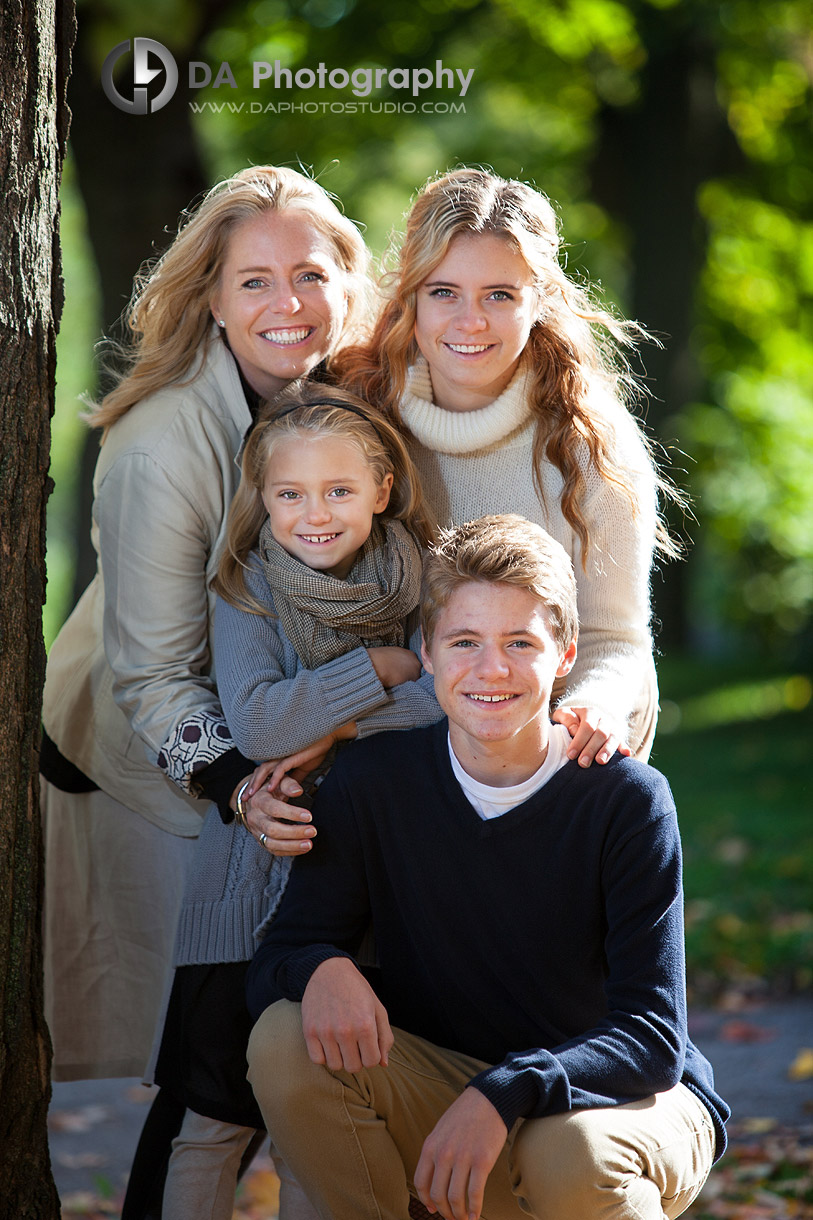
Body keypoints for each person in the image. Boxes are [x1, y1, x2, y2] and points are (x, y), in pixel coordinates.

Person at [39, 165, 370, 1209]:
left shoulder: (354, 399)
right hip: (161, 758)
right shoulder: (162, 440)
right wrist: (238, 783)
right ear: (213, 296)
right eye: (257, 280)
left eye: (311, 275)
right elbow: (151, 672)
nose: (289, 305)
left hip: (294, 735)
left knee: (299, 1055)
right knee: (217, 1066)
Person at [244, 513, 729, 1220]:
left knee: (571, 1155)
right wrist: (319, 967)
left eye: (520, 643)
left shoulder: (624, 799)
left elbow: (650, 1037)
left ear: (564, 655)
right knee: (285, 1039)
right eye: (464, 641)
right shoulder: (373, 783)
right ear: (428, 653)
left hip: (620, 1105)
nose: (490, 669)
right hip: (457, 1093)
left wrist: (507, 1088)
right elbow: (276, 959)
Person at [154, 384, 442, 1220]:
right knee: (211, 1120)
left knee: (316, 1121)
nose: (313, 515)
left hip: (368, 893)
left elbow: (447, 700)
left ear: (382, 489)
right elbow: (257, 718)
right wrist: (382, 672)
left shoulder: (422, 574)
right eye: (289, 495)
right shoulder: (246, 585)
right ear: (264, 499)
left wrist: (335, 729)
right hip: (246, 886)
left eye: (338, 491)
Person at [339, 167, 686, 769]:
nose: (470, 321)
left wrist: (592, 710)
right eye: (443, 291)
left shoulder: (590, 442)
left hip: (542, 761)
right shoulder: (358, 426)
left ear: (539, 300)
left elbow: (616, 641)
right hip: (383, 759)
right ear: (411, 298)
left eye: (499, 294)